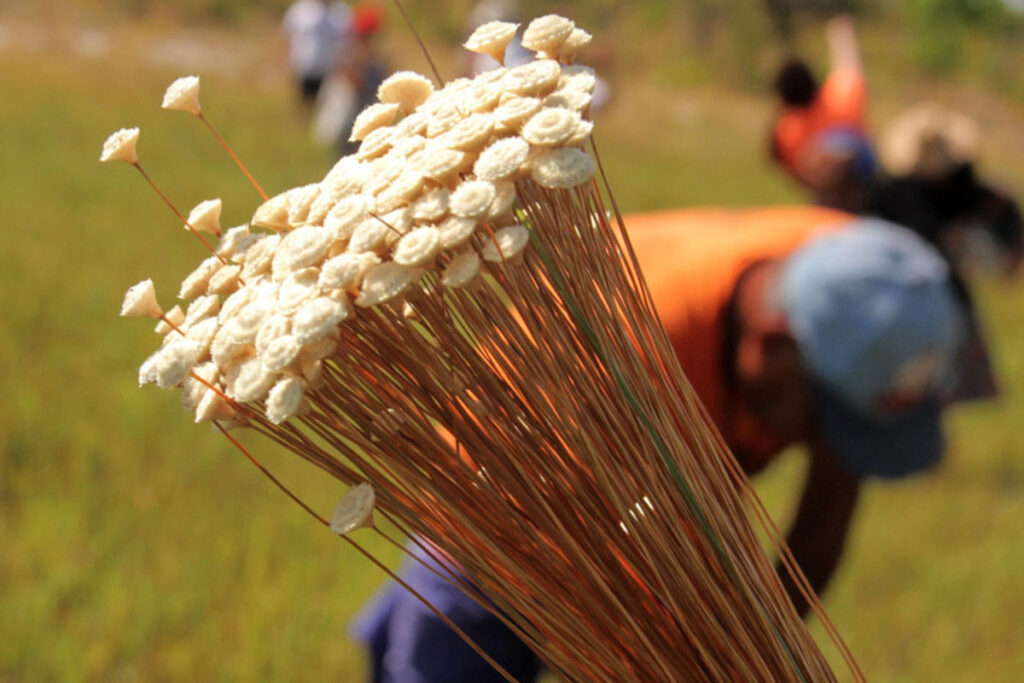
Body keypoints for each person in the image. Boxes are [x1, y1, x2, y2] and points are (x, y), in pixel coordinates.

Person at [352, 208, 968, 682]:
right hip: (508, 492)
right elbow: (624, 636)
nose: (831, 447)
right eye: (829, 425)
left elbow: (835, 486)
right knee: (454, 644)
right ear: (776, 354)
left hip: (669, 434)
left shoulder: (860, 280)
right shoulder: (622, 381)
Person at [769, 15, 877, 212]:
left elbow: (786, 167)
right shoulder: (840, 94)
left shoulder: (786, 130)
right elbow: (848, 63)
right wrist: (842, 35)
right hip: (865, 187)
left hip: (828, 198)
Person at [281, 0, 352, 107]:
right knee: (304, 104)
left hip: (332, 71)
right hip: (305, 67)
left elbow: (349, 41)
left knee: (327, 107)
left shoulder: (341, 11)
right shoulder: (299, 10)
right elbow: (287, 36)